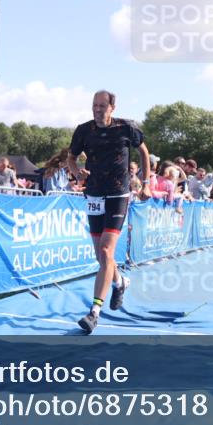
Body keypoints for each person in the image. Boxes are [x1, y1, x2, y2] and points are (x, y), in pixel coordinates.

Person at [68, 90, 151, 334]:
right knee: (101, 257)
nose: (97, 109)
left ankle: (94, 313)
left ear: (112, 107)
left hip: (118, 194)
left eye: (102, 105)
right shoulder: (83, 130)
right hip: (94, 193)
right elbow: (71, 158)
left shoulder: (127, 128)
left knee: (106, 250)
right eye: (94, 105)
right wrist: (76, 172)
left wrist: (146, 183)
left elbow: (144, 152)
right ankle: (120, 281)